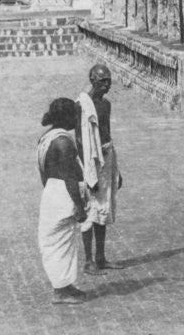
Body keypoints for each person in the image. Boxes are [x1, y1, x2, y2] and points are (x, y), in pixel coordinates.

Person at [37, 97, 88, 305]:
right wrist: (79, 205)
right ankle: (60, 291)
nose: (77, 120)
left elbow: (43, 171)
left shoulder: (47, 137)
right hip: (63, 193)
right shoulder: (63, 142)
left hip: (51, 190)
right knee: (61, 242)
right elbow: (69, 177)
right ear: (66, 117)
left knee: (60, 241)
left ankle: (65, 286)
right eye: (75, 115)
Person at [76, 63, 124, 275]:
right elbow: (79, 139)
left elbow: (107, 133)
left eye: (109, 82)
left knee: (103, 208)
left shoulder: (106, 105)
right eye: (104, 82)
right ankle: (88, 262)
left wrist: (117, 170)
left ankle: (101, 257)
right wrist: (87, 170)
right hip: (90, 161)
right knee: (89, 209)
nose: (107, 86)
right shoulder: (81, 105)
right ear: (93, 80)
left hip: (106, 157)